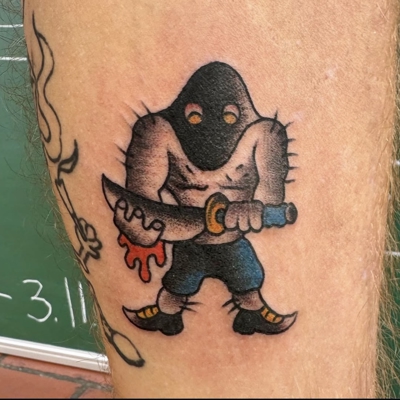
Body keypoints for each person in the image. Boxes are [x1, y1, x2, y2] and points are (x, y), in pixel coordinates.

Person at [23, 1, 398, 397]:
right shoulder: (158, 132)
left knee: (247, 277)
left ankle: (250, 312)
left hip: (230, 239)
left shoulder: (263, 136)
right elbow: (141, 207)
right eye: (195, 117)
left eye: (230, 118)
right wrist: (144, 232)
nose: (210, 128)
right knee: (179, 281)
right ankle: (167, 314)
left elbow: (271, 200)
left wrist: (259, 210)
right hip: (190, 240)